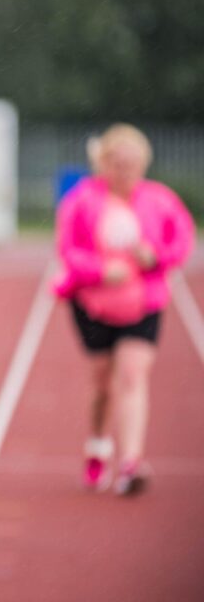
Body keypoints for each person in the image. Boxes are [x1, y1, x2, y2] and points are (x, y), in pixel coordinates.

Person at [53, 123, 194, 496]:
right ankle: (99, 444)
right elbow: (67, 250)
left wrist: (157, 257)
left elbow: (182, 240)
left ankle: (131, 462)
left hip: (143, 303)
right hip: (94, 305)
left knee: (132, 375)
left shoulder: (159, 200)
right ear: (103, 163)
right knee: (102, 382)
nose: (125, 172)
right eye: (117, 163)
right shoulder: (82, 201)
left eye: (132, 164)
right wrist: (102, 271)